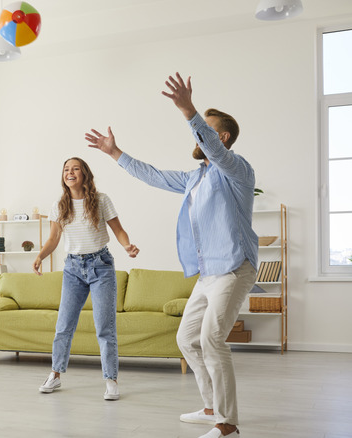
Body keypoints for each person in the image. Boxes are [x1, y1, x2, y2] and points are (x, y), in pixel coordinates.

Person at [85, 73, 257, 438]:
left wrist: (189, 110)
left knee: (213, 340)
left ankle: (227, 425)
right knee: (186, 338)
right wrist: (115, 152)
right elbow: (152, 175)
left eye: (206, 131)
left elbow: (211, 146)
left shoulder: (237, 170)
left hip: (234, 268)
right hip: (208, 273)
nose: (196, 138)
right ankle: (210, 407)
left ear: (220, 138)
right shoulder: (195, 179)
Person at [32, 157, 139, 400]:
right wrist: (40, 256)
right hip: (72, 268)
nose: (70, 172)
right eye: (66, 169)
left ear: (85, 174)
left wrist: (127, 246)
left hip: (101, 266)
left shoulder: (101, 201)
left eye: (75, 169)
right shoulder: (59, 205)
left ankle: (111, 380)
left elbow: (118, 230)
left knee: (104, 327)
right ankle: (55, 375)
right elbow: (53, 239)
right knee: (63, 326)